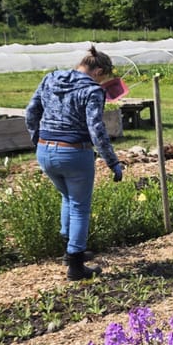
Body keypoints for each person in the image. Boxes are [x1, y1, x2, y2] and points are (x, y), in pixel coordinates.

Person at [25, 45, 123, 281]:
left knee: (67, 197)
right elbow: (96, 130)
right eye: (104, 76)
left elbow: (31, 111)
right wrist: (113, 162)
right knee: (80, 206)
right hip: (74, 153)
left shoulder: (50, 78)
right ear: (98, 71)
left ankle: (70, 251)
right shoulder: (92, 90)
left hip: (45, 150)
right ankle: (76, 267)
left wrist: (37, 139)